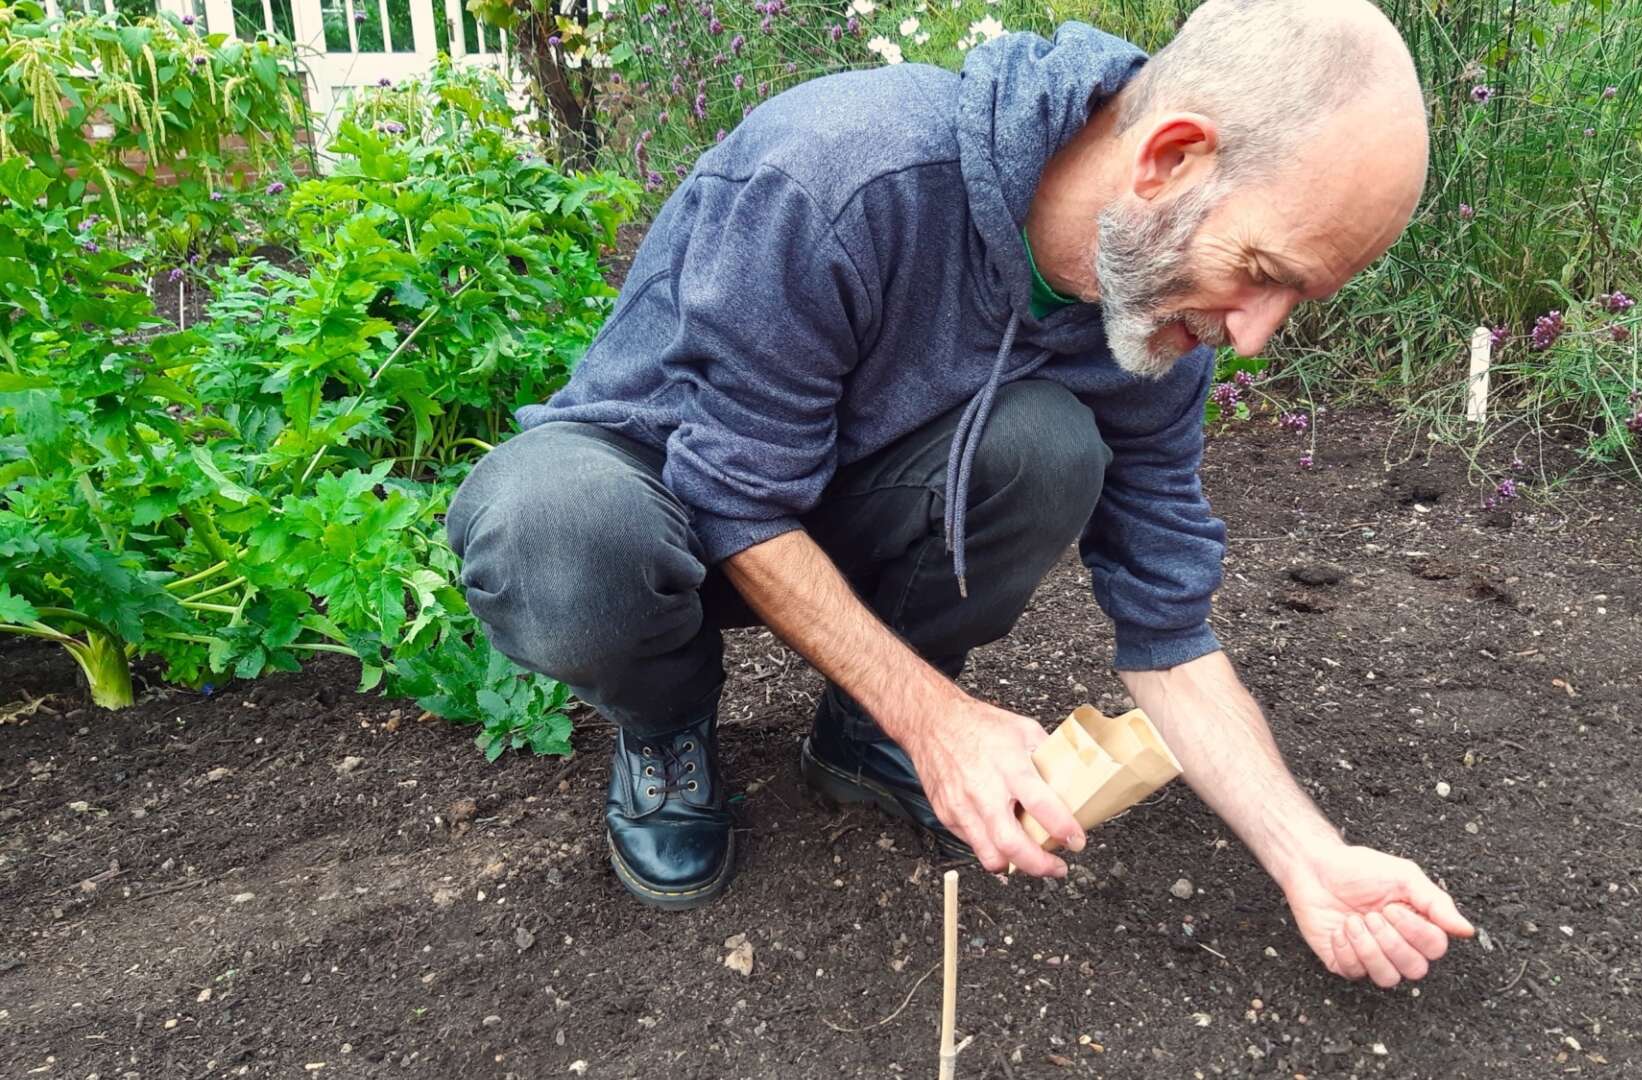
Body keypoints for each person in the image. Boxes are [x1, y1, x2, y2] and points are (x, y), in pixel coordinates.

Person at [446, 0, 1474, 987]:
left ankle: (864, 732)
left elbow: (1166, 622)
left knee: (1048, 445)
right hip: (665, 496)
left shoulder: (1157, 314)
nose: (1255, 332)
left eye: (1296, 298)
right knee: (557, 528)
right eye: (1261, 270)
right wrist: (942, 720)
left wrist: (1308, 855)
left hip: (836, 517)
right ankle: (666, 725)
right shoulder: (844, 172)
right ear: (1169, 158)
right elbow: (732, 492)